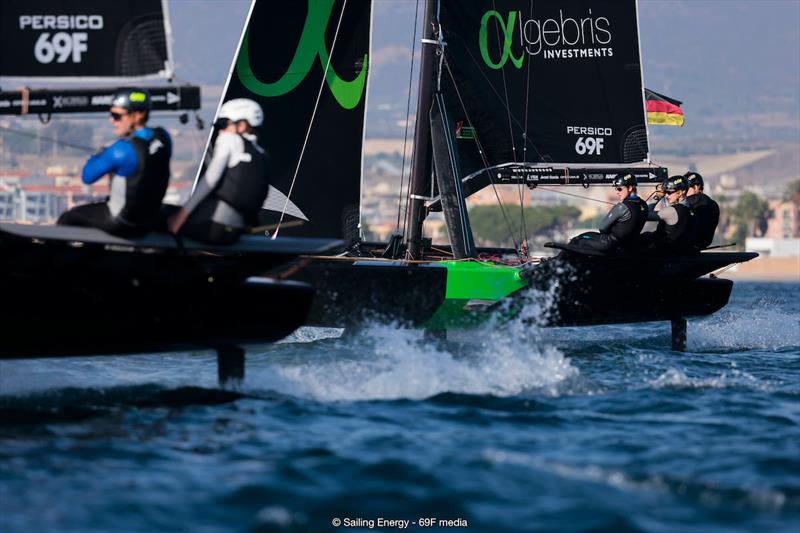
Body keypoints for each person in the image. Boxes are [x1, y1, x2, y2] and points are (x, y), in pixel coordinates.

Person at [57, 88, 172, 237]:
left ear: (137, 115)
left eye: (116, 116)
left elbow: (87, 176)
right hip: (152, 220)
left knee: (67, 218)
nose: (111, 120)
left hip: (122, 222)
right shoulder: (164, 137)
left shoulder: (121, 150)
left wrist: (99, 154)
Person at [166, 98, 270, 244]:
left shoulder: (230, 139)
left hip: (214, 228)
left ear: (241, 126)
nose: (219, 130)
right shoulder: (262, 154)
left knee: (160, 215)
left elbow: (211, 178)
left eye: (223, 124)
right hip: (235, 232)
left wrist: (180, 216)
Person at [570, 173, 649, 252]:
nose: (617, 192)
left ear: (630, 188)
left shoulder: (622, 206)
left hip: (610, 244)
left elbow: (602, 228)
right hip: (629, 245)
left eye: (619, 189)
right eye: (616, 189)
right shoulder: (644, 205)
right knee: (588, 235)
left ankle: (560, 262)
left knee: (578, 239)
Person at [639, 175, 697, 254]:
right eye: (665, 192)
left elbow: (645, 214)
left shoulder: (672, 211)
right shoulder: (691, 208)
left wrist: (657, 196)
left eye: (669, 192)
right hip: (683, 251)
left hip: (665, 253)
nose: (666, 196)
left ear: (681, 192)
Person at [684, 171, 720, 250]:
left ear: (696, 187)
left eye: (686, 188)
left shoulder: (690, 202)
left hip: (686, 246)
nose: (683, 192)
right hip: (703, 245)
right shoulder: (713, 203)